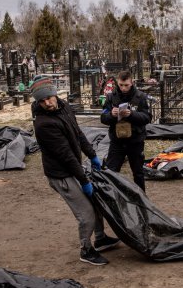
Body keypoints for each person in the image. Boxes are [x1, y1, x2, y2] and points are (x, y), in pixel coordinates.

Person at [31, 76, 119, 266]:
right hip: (61, 175)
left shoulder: (63, 107)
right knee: (86, 213)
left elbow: (78, 133)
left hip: (73, 168)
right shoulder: (44, 124)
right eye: (42, 101)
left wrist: (92, 154)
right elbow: (65, 155)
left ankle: (101, 238)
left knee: (96, 201)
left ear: (55, 94)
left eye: (49, 98)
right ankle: (86, 250)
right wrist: (84, 181)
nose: (47, 103)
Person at [100, 70, 152, 191]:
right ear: (117, 83)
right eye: (121, 85)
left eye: (126, 85)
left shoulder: (140, 97)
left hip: (135, 141)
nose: (123, 88)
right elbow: (103, 118)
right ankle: (112, 198)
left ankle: (141, 200)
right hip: (117, 141)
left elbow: (147, 117)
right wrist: (112, 115)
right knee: (111, 172)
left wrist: (131, 114)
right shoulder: (111, 97)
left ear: (132, 82)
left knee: (138, 173)